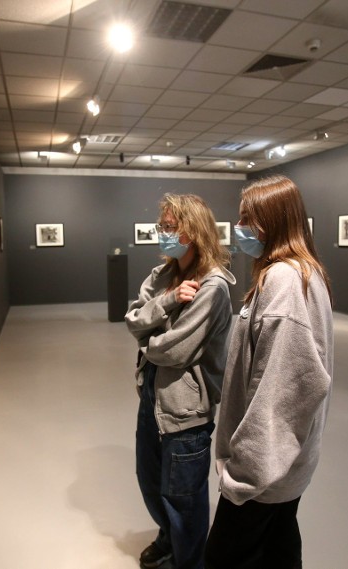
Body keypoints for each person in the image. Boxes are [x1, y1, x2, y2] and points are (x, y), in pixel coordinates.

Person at [204, 175, 334, 569]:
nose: (239, 229)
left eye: (248, 219)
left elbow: (282, 389)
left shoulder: (282, 279)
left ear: (274, 221)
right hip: (286, 469)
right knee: (278, 551)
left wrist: (244, 475)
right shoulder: (304, 272)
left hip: (263, 476)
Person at [125, 194, 236, 569]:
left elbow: (173, 351)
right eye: (162, 227)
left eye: (170, 228)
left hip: (186, 407)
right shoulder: (163, 276)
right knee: (151, 480)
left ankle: (189, 559)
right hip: (152, 395)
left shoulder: (214, 287)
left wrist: (148, 340)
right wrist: (168, 301)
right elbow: (133, 319)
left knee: (184, 498)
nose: (163, 234)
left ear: (192, 231)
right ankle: (167, 537)